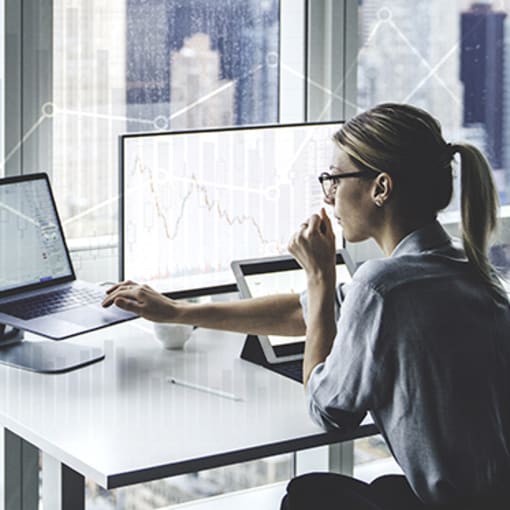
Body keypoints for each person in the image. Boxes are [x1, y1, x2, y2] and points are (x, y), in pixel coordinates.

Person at [103, 103, 510, 509]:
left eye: (335, 179)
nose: (329, 195)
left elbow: (329, 411)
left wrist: (319, 275)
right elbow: (306, 313)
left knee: (306, 497)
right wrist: (178, 312)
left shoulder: (381, 287)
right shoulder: (464, 266)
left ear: (381, 188)